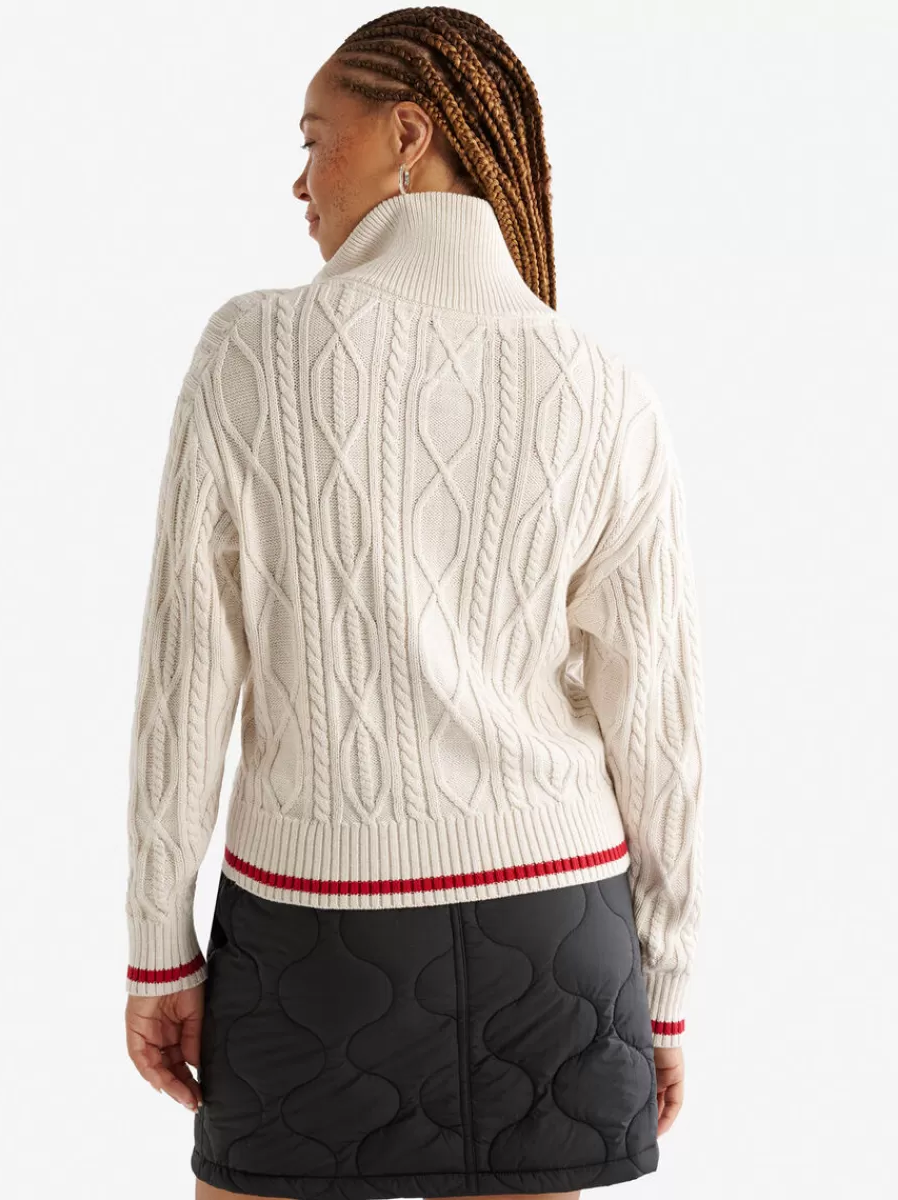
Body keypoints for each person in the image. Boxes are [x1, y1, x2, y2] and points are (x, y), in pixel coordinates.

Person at [122, 8, 704, 1199]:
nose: (298, 182)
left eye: (313, 140)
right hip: (559, 939)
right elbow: (660, 728)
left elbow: (187, 678)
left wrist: (155, 951)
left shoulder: (253, 350)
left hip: (310, 939)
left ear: (407, 133)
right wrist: (664, 987)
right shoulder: (605, 388)